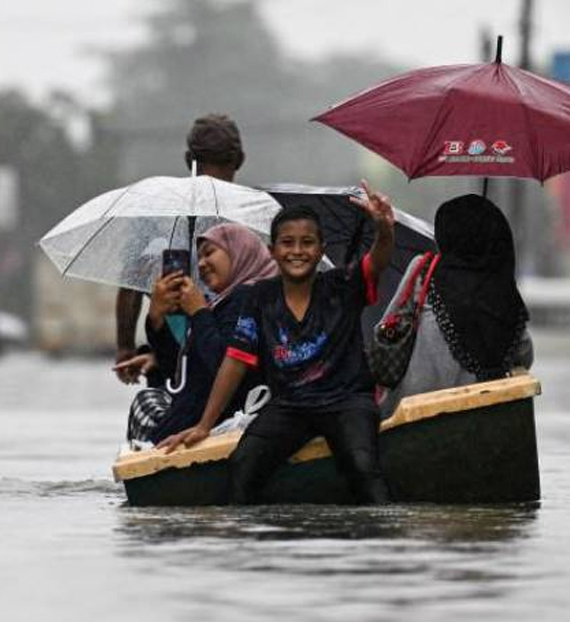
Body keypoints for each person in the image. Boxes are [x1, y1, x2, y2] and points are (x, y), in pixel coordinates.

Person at [158, 184, 395, 505]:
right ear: (272, 251)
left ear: (320, 249)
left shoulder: (341, 284)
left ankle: (379, 536)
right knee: (244, 466)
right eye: (287, 243)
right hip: (291, 406)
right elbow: (234, 361)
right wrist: (204, 425)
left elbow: (376, 262)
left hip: (346, 402)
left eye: (307, 243)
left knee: (362, 465)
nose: (297, 251)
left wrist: (383, 229)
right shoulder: (260, 297)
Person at [113, 114, 245, 385]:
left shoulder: (155, 213)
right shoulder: (251, 217)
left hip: (173, 354)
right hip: (229, 358)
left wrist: (124, 346)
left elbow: (130, 282)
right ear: (239, 160)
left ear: (189, 161)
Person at [377, 193, 532, 416]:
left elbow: (385, 330)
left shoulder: (424, 270)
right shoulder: (501, 288)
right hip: (482, 412)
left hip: (414, 411)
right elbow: (524, 354)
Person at [125, 223, 277, 444]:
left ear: (239, 252)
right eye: (199, 258)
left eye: (209, 253)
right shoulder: (223, 303)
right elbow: (180, 373)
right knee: (152, 396)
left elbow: (224, 365)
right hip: (197, 413)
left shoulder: (248, 298)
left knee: (145, 403)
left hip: (219, 419)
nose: (202, 264)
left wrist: (199, 312)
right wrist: (156, 318)